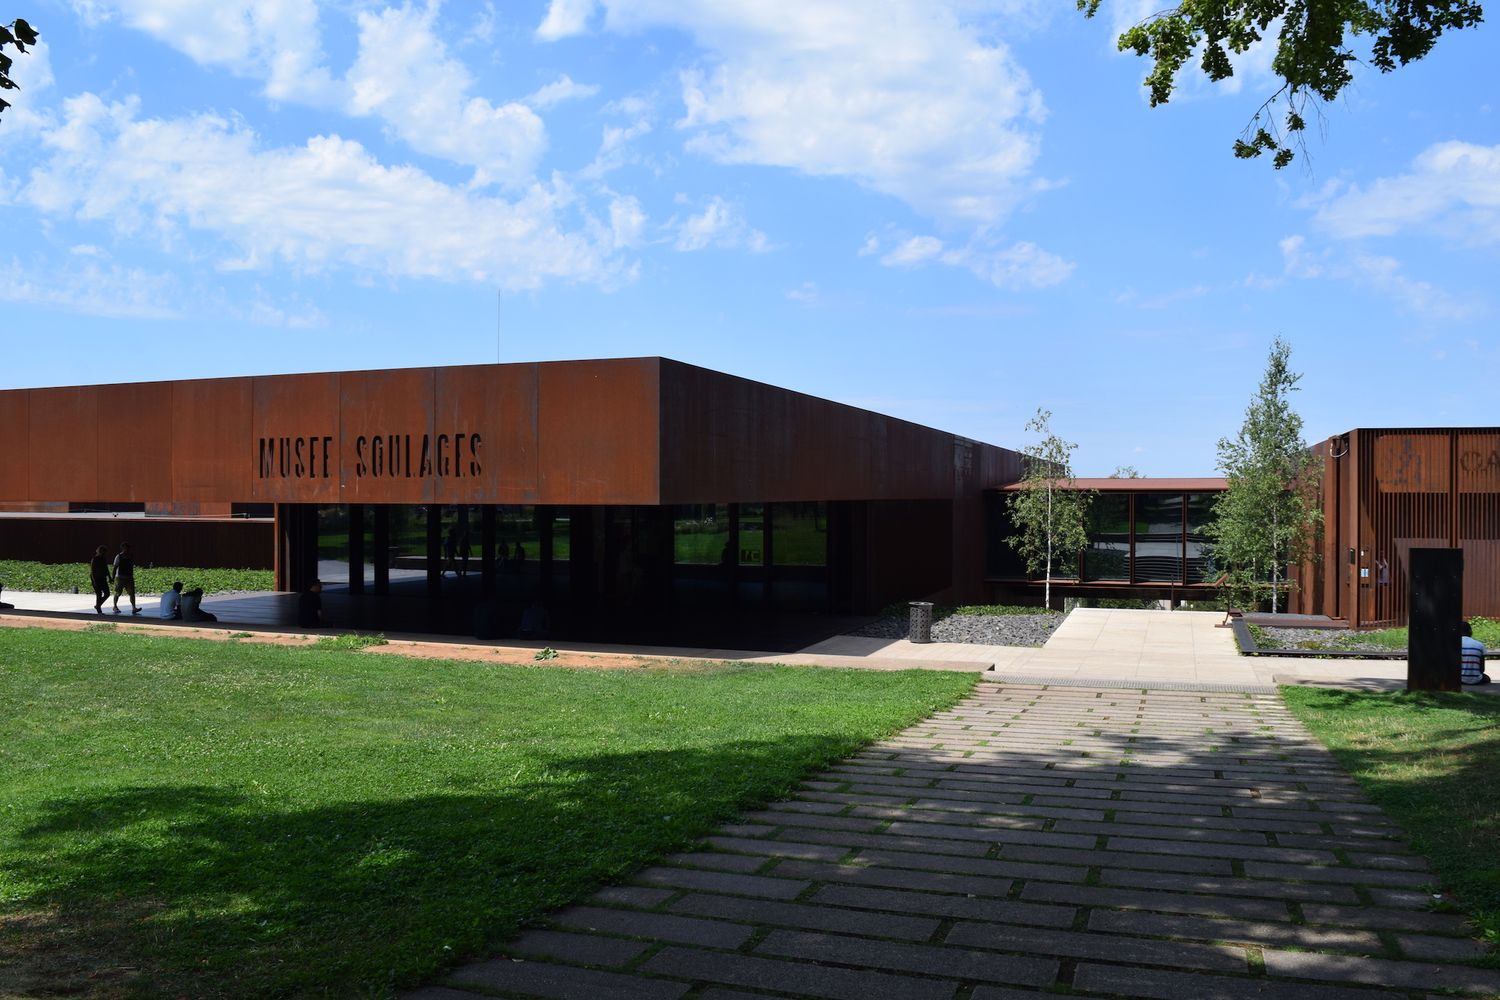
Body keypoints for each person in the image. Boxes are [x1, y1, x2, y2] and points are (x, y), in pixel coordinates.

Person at [110, 542, 141, 615]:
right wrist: (113, 577)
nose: (127, 549)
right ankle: (115, 606)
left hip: (129, 577)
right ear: (122, 548)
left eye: (128, 548)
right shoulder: (118, 556)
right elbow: (115, 568)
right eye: (125, 548)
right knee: (118, 592)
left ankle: (134, 608)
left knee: (132, 593)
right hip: (120, 577)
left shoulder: (131, 556)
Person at [1461, 620, 1489, 685]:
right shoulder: (1479, 644)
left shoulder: (1453, 644)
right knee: (1487, 678)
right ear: (1470, 631)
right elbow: (1482, 669)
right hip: (1476, 680)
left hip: (1458, 679)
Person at [89, 545, 111, 614]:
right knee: (99, 594)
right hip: (96, 578)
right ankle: (99, 610)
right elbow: (92, 571)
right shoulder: (95, 559)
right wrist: (94, 580)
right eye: (103, 552)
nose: (104, 554)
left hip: (103, 578)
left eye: (105, 553)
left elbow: (106, 568)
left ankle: (98, 605)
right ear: (100, 551)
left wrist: (109, 577)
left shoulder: (103, 559)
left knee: (107, 593)